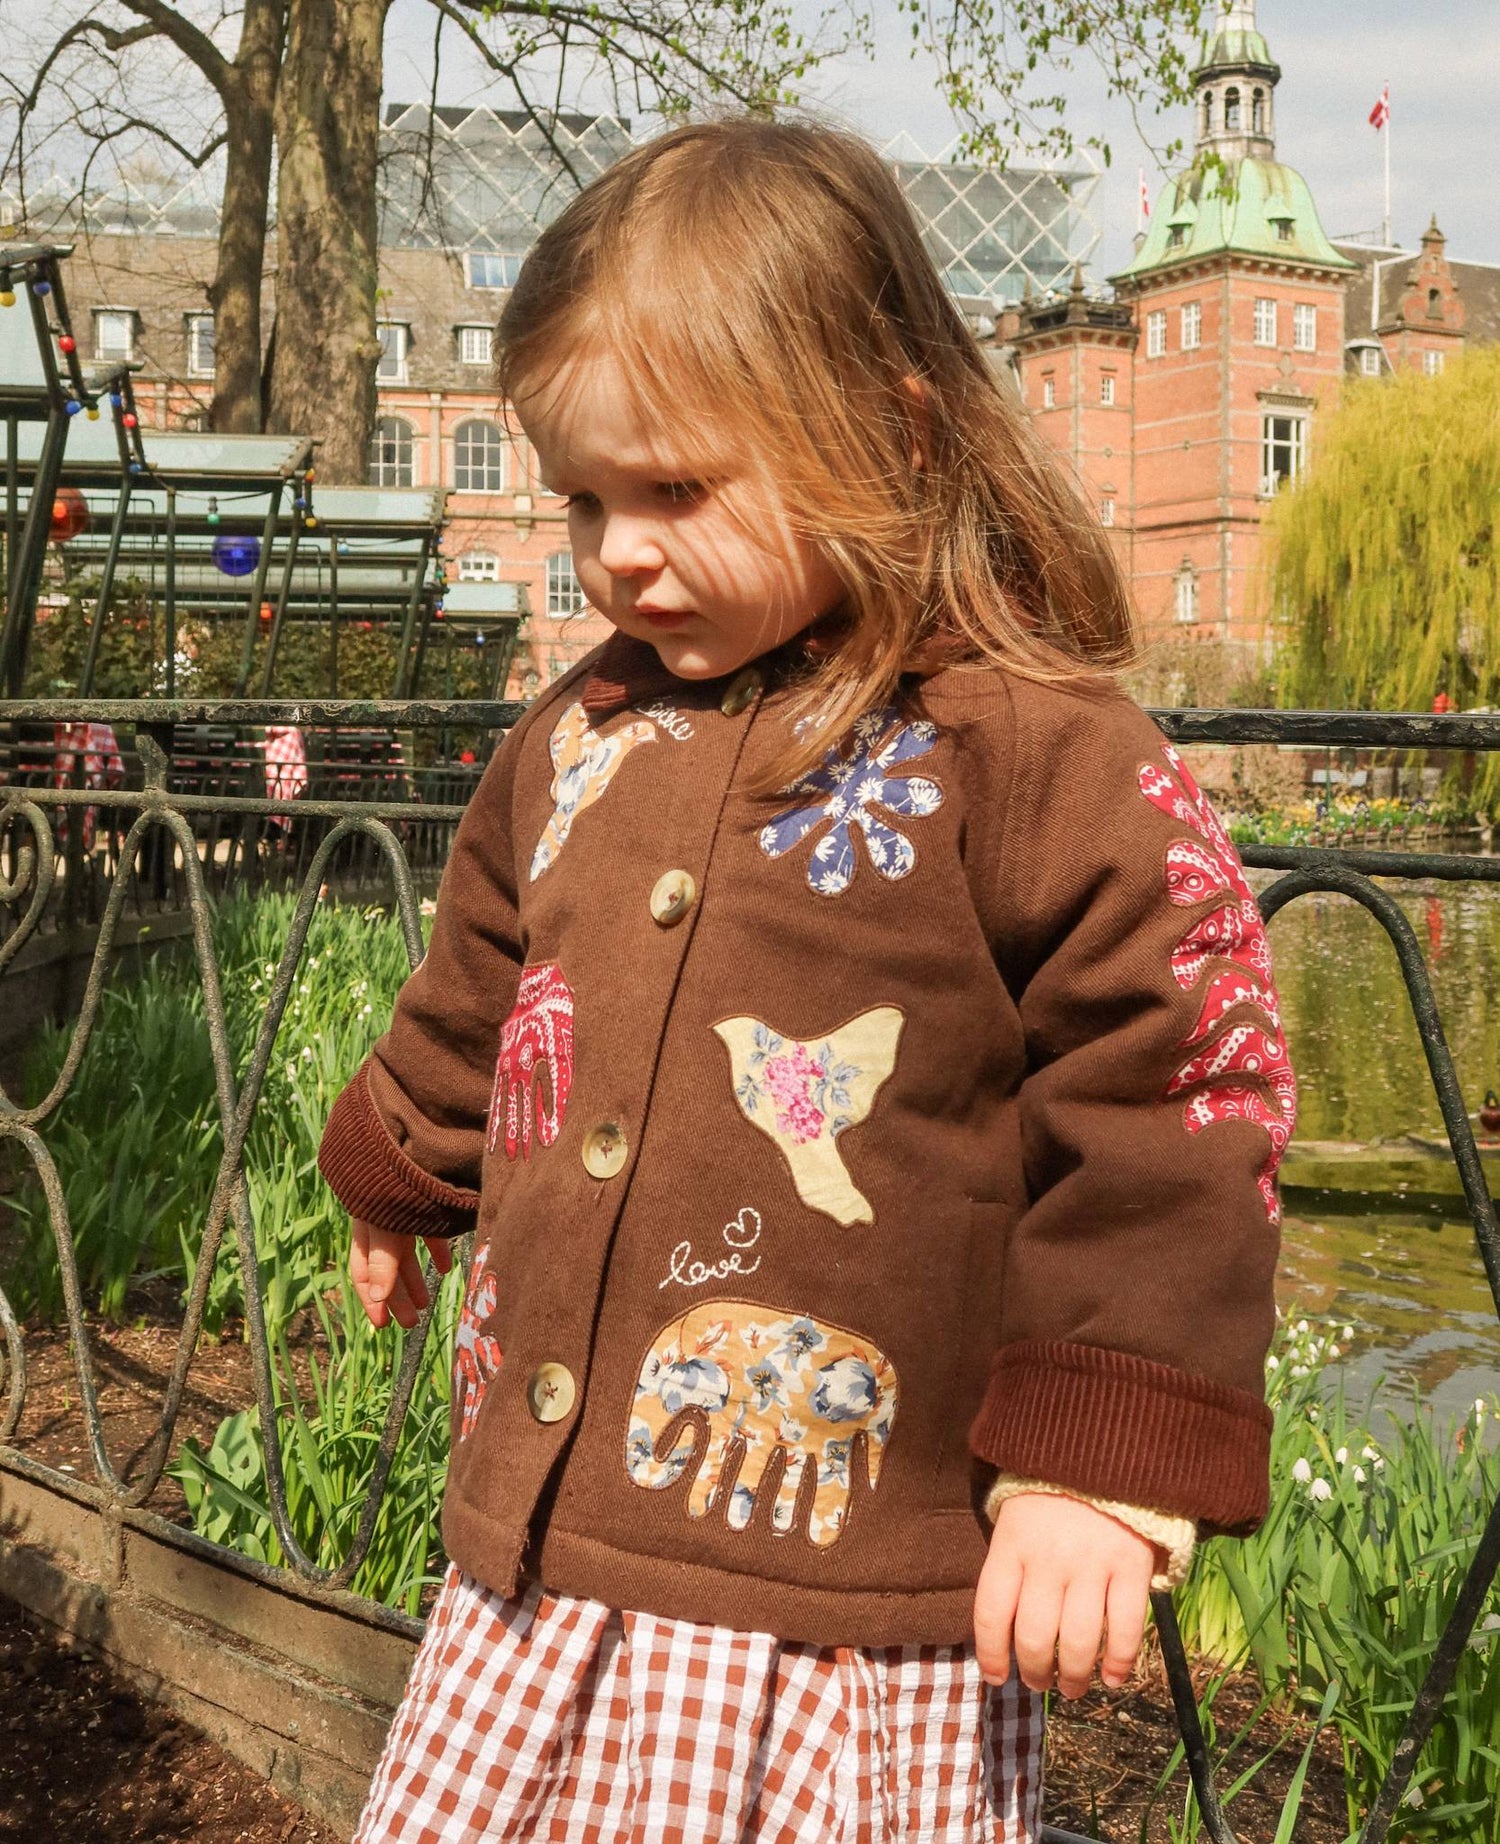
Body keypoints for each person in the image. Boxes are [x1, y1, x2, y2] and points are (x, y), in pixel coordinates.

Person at [317, 115, 1294, 1844]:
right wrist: (403, 1165)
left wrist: (1096, 1464)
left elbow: (1176, 1090)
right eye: (585, 499)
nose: (616, 552)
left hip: (844, 1609)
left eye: (675, 492)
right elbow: (489, 980)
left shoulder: (1028, 747)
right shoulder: (579, 734)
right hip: (547, 1571)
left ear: (886, 440)